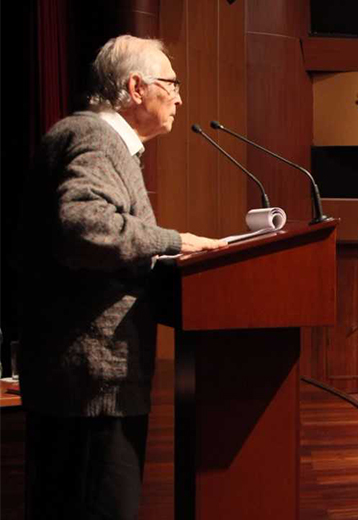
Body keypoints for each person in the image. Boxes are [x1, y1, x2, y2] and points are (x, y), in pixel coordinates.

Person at [17, 35, 227, 519]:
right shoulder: (95, 138)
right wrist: (173, 241)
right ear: (136, 87)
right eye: (171, 84)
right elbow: (82, 227)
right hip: (90, 383)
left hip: (83, 379)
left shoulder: (98, 140)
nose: (179, 97)